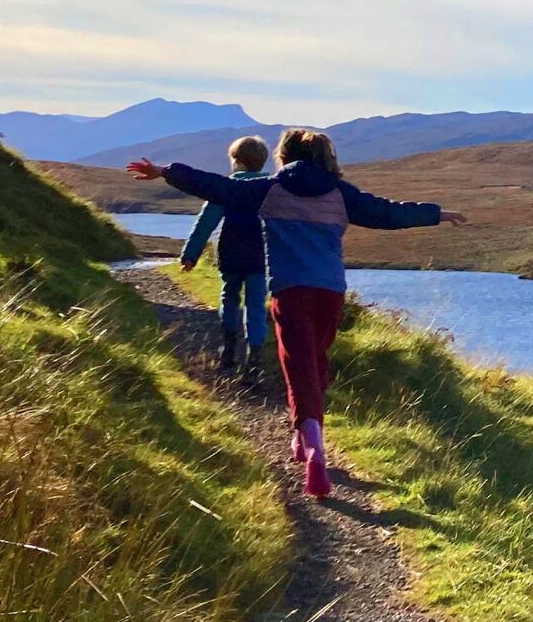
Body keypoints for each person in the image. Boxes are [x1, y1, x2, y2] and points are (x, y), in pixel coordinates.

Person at [129, 128, 459, 499]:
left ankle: (311, 444)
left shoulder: (269, 188)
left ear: (284, 156)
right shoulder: (340, 193)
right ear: (325, 157)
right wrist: (436, 214)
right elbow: (386, 212)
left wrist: (166, 170)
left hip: (289, 290)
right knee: (315, 362)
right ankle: (305, 435)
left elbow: (218, 188)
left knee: (297, 364)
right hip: (331, 292)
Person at [179, 134, 273, 372]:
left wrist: (190, 254)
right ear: (262, 162)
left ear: (236, 161)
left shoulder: (226, 189)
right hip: (261, 258)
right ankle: (255, 360)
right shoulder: (272, 189)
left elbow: (205, 224)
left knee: (229, 298)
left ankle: (229, 350)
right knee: (256, 305)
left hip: (231, 255)